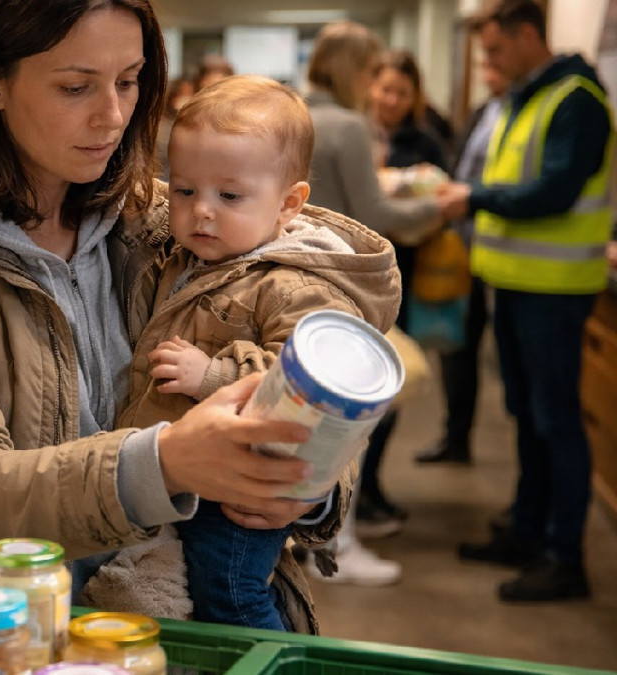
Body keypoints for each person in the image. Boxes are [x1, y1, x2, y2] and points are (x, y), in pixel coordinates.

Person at [0, 0, 349, 633]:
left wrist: (310, 481)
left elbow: (312, 307)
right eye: (75, 86)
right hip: (23, 632)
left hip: (198, 615)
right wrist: (166, 463)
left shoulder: (160, 217)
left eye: (130, 80)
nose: (112, 117)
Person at [116, 75, 400, 629]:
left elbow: (305, 387)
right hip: (186, 474)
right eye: (184, 190)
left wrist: (213, 375)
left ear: (288, 204)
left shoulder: (295, 285)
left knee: (232, 592)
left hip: (243, 489)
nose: (201, 212)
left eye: (229, 196)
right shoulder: (190, 255)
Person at [438, 0, 612, 602]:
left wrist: (474, 197)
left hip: (555, 290)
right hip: (514, 281)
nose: (489, 59)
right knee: (526, 415)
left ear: (529, 34)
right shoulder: (528, 97)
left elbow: (556, 191)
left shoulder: (577, 102)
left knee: (556, 420)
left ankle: (566, 558)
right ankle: (528, 527)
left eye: (494, 48)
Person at [303, 20, 446, 585]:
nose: (373, 85)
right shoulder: (349, 126)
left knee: (308, 421)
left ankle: (306, 540)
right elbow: (378, 219)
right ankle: (337, 543)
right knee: (350, 425)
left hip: (288, 285)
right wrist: (441, 211)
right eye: (369, 72)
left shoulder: (289, 112)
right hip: (345, 290)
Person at [354, 48, 451, 537]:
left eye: (402, 92)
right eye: (385, 88)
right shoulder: (354, 132)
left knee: (392, 382)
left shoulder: (426, 141)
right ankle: (354, 492)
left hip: (405, 274)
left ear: (414, 97)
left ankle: (369, 484)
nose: (390, 100)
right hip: (358, 273)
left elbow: (442, 203)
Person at [416, 62, 509, 465]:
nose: (488, 69)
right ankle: (456, 437)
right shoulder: (483, 112)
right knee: (457, 350)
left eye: (495, 56)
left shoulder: (522, 113)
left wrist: (471, 200)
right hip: (466, 252)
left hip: (506, 257)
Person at [156, 76, 196, 179]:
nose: (186, 99)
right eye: (182, 94)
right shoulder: (161, 124)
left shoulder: (198, 122)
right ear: (173, 97)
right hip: (165, 178)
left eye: (190, 94)